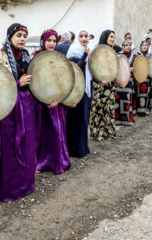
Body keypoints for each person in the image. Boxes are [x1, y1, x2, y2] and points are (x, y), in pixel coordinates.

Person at [0, 23, 41, 202]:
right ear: (10, 36)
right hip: (11, 106)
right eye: (18, 35)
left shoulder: (26, 55)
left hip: (28, 104)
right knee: (12, 146)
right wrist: (18, 83)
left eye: (24, 36)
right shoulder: (0, 56)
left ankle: (26, 183)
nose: (22, 39)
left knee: (28, 144)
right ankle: (11, 188)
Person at [33, 29, 72, 174]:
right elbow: (34, 81)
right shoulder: (35, 57)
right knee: (42, 134)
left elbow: (63, 80)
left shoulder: (59, 58)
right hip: (40, 102)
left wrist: (60, 99)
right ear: (43, 41)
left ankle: (58, 161)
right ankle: (42, 162)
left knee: (57, 133)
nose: (51, 43)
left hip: (56, 101)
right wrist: (43, 100)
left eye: (54, 41)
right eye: (49, 40)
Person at [66, 29, 91, 158]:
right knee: (75, 119)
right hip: (75, 90)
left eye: (86, 36)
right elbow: (74, 69)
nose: (83, 38)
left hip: (85, 90)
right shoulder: (73, 51)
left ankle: (82, 147)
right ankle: (73, 149)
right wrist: (85, 56)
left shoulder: (89, 52)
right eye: (81, 36)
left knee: (84, 119)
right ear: (77, 39)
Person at [89, 30, 118, 141]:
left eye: (113, 37)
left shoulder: (112, 51)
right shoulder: (97, 50)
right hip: (99, 84)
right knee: (98, 109)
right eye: (110, 37)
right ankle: (97, 133)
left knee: (108, 108)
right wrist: (99, 80)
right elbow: (93, 66)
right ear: (105, 37)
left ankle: (108, 132)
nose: (112, 39)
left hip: (110, 84)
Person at [115, 40, 136, 126]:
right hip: (119, 80)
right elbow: (116, 67)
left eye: (129, 45)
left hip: (129, 80)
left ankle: (127, 119)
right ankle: (118, 119)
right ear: (123, 46)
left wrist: (132, 69)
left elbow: (137, 68)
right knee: (118, 99)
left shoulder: (134, 56)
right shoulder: (118, 55)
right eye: (126, 45)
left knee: (127, 99)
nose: (128, 47)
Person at [135, 41, 151, 116]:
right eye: (143, 45)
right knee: (137, 94)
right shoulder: (137, 55)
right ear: (141, 46)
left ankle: (143, 110)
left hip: (147, 78)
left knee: (145, 94)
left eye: (146, 45)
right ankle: (137, 111)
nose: (144, 46)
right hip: (138, 78)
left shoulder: (150, 56)